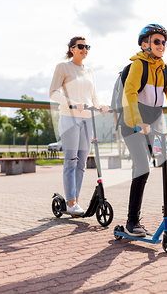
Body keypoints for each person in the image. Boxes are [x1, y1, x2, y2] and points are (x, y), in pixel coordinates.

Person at [119, 24, 167, 236]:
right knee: (142, 168)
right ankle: (132, 222)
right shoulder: (138, 65)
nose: (161, 45)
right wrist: (138, 122)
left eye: (164, 42)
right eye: (157, 41)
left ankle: (152, 220)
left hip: (154, 124)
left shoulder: (166, 69)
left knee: (160, 163)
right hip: (133, 124)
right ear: (145, 44)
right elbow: (129, 93)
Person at [49, 36, 109, 215]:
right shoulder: (63, 67)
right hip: (69, 118)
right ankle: (69, 202)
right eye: (81, 46)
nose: (85, 49)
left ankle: (75, 201)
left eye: (87, 46)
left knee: (82, 161)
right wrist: (70, 102)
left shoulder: (89, 71)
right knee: (71, 161)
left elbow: (94, 96)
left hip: (87, 119)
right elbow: (53, 92)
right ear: (72, 49)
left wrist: (102, 105)